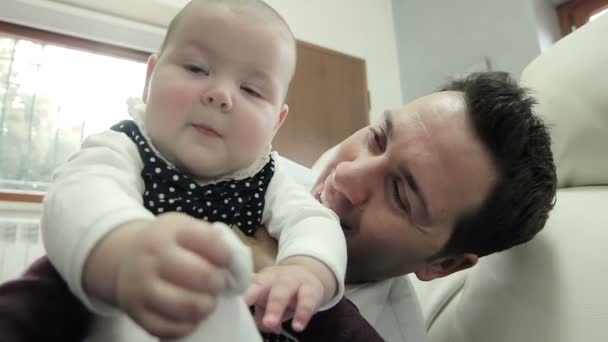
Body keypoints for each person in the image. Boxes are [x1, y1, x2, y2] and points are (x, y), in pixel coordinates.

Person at [36, 0, 350, 341]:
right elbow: (80, 193)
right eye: (197, 68)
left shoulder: (268, 178)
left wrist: (306, 268)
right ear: (150, 78)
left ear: (275, 124)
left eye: (251, 89)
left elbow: (313, 220)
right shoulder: (124, 147)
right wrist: (124, 249)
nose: (220, 95)